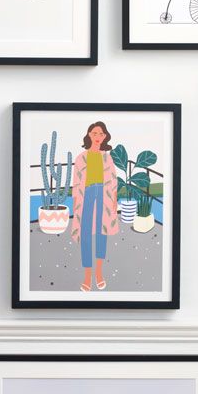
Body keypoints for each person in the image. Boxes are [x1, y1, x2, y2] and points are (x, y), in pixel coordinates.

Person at [71, 122, 118, 291]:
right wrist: (76, 204)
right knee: (85, 233)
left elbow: (113, 181)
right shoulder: (81, 158)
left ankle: (99, 272)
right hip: (86, 195)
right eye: (94, 133)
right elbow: (76, 183)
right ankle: (87, 275)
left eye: (101, 134)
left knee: (101, 232)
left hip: (104, 195)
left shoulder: (107, 157)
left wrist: (114, 201)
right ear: (89, 135)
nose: (98, 137)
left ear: (105, 136)